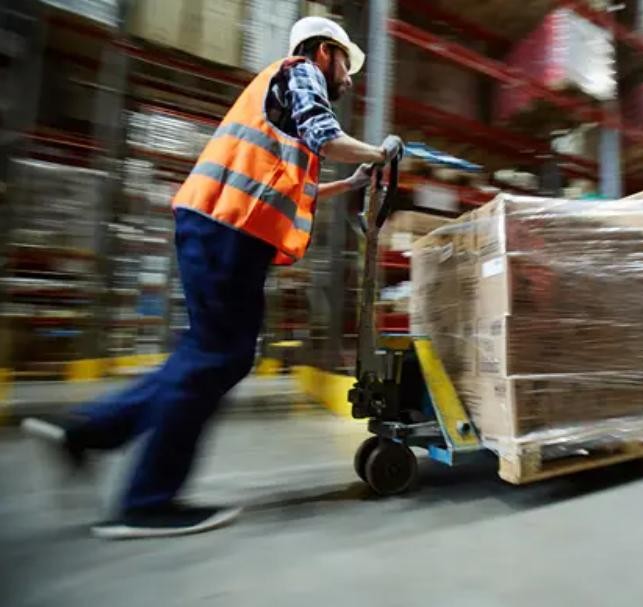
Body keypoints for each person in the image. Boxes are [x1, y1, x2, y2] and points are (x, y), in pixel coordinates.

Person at [21, 16, 404, 539]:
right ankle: (146, 501)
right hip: (228, 229)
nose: (349, 78)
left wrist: (354, 180)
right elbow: (325, 134)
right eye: (345, 63)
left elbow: (298, 189)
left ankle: (88, 432)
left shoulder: (282, 107)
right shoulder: (300, 72)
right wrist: (379, 154)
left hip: (222, 228)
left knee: (211, 353)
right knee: (218, 356)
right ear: (323, 53)